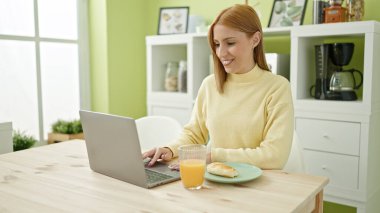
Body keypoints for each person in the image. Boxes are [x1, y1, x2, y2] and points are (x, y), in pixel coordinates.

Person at [143, 4, 294, 169]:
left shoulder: (277, 87)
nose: (221, 53)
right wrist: (169, 149)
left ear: (255, 40)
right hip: (214, 179)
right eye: (216, 44)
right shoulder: (210, 85)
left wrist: (214, 155)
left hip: (260, 183)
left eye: (230, 43)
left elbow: (274, 156)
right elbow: (194, 135)